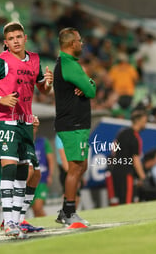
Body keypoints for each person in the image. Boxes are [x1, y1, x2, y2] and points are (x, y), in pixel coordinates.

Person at [0, 21, 53, 237]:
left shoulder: (35, 59)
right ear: (5, 43)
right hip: (4, 119)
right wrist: (0, 98)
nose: (16, 41)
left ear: (25, 38)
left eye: (19, 37)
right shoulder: (0, 62)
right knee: (9, 166)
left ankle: (15, 221)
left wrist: (48, 83)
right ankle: (8, 220)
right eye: (11, 39)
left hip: (26, 120)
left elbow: (43, 91)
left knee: (22, 171)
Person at [53, 27, 96, 226]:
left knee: (81, 166)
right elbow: (90, 90)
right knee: (75, 167)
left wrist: (88, 83)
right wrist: (89, 84)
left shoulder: (69, 63)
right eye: (79, 40)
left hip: (76, 123)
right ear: (72, 44)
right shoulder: (69, 65)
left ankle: (65, 210)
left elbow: (88, 86)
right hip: (72, 123)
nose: (81, 43)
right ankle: (69, 212)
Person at [108, 110, 147, 205]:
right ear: (138, 121)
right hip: (126, 172)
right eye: (144, 121)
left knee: (120, 200)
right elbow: (135, 159)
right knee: (127, 201)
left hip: (117, 170)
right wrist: (142, 176)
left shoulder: (122, 132)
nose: (145, 124)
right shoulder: (135, 137)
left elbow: (113, 149)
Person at [32, 118, 55, 217]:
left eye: (34, 127)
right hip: (29, 179)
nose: (32, 129)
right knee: (35, 209)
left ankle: (48, 224)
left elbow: (51, 159)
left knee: (38, 207)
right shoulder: (23, 143)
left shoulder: (42, 141)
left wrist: (50, 175)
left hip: (42, 178)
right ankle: (43, 226)